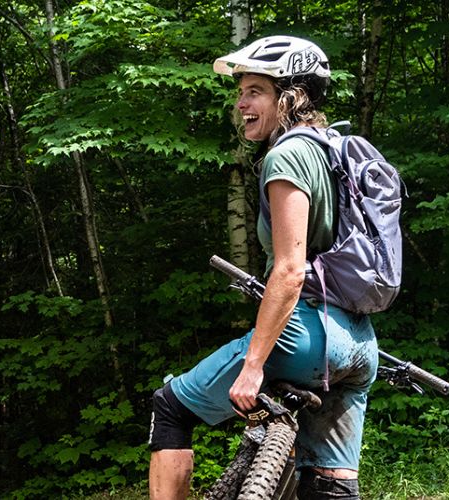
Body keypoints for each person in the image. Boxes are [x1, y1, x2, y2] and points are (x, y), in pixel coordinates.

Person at [147, 36, 377, 500]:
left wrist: (253, 366)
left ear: (291, 96)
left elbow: (291, 270)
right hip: (357, 343)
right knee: (330, 482)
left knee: (170, 408)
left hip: (305, 335)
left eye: (255, 91)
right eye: (240, 92)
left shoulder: (287, 154)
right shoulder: (334, 149)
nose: (242, 104)